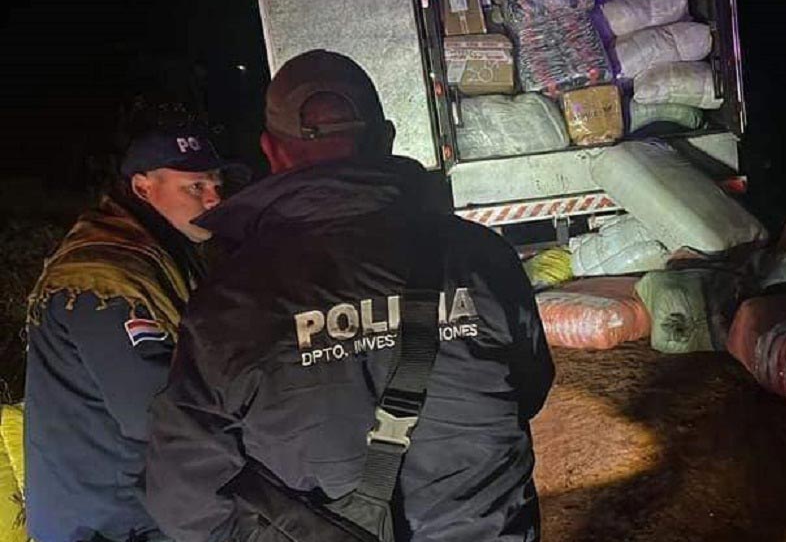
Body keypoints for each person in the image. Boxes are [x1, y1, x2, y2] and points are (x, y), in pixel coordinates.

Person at [145, 50, 554, 542]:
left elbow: (186, 499)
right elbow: (530, 387)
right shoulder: (481, 257)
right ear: (386, 139)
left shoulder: (228, 303)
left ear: (272, 152)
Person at [25, 126, 245, 542]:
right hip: (107, 522)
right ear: (143, 188)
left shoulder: (160, 257)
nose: (214, 198)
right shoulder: (105, 283)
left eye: (217, 184)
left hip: (128, 507)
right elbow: (156, 412)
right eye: (195, 186)